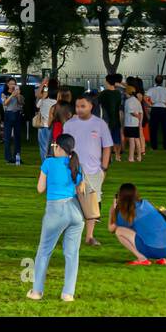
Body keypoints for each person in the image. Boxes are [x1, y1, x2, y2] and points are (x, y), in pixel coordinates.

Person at [27, 133, 86, 302]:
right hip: (75, 212)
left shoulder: (49, 163)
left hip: (55, 211)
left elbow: (40, 188)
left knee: (44, 251)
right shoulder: (76, 165)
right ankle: (68, 293)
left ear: (59, 147)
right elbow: (80, 189)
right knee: (72, 254)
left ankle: (37, 291)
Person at [61, 96, 113, 246]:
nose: (79, 109)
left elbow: (107, 146)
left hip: (94, 171)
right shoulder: (70, 124)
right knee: (70, 203)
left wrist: (103, 167)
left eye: (83, 106)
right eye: (77, 106)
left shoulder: (100, 123)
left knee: (92, 204)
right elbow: (63, 146)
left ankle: (89, 236)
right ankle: (70, 236)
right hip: (72, 169)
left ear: (91, 106)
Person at [109, 182, 166, 265]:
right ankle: (161, 258)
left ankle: (142, 259)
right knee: (150, 227)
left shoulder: (126, 213)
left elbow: (111, 229)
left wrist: (112, 211)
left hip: (155, 249)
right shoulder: (146, 203)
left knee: (119, 231)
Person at [146, 76, 166, 151]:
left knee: (153, 129)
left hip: (155, 108)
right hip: (164, 108)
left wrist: (150, 104)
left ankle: (154, 146)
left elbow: (145, 97)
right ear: (162, 82)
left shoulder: (152, 89)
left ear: (155, 81)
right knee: (165, 128)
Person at [100, 74, 124, 158]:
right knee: (116, 137)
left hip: (107, 118)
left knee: (107, 138)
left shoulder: (104, 93)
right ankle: (117, 155)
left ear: (107, 81)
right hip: (116, 117)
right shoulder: (118, 93)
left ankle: (108, 155)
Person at [2, 78, 24, 164]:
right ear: (7, 84)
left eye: (14, 84)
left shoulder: (18, 93)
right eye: (11, 83)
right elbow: (5, 103)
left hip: (17, 114)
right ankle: (8, 157)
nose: (12, 85)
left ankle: (17, 156)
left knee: (17, 137)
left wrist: (18, 95)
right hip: (8, 114)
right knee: (7, 137)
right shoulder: (4, 93)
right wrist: (11, 95)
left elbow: (21, 103)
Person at [34, 82, 56, 162]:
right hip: (52, 126)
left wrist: (45, 88)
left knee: (43, 147)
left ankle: (45, 164)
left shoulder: (43, 101)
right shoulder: (56, 102)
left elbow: (37, 105)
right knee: (51, 147)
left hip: (42, 126)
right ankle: (50, 164)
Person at [122, 83, 145, 163]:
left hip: (130, 123)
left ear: (128, 92)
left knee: (131, 141)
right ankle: (139, 156)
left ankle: (131, 157)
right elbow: (141, 112)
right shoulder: (137, 101)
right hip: (136, 123)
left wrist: (136, 116)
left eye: (125, 92)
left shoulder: (128, 101)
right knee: (136, 140)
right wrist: (140, 122)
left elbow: (131, 112)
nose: (124, 93)